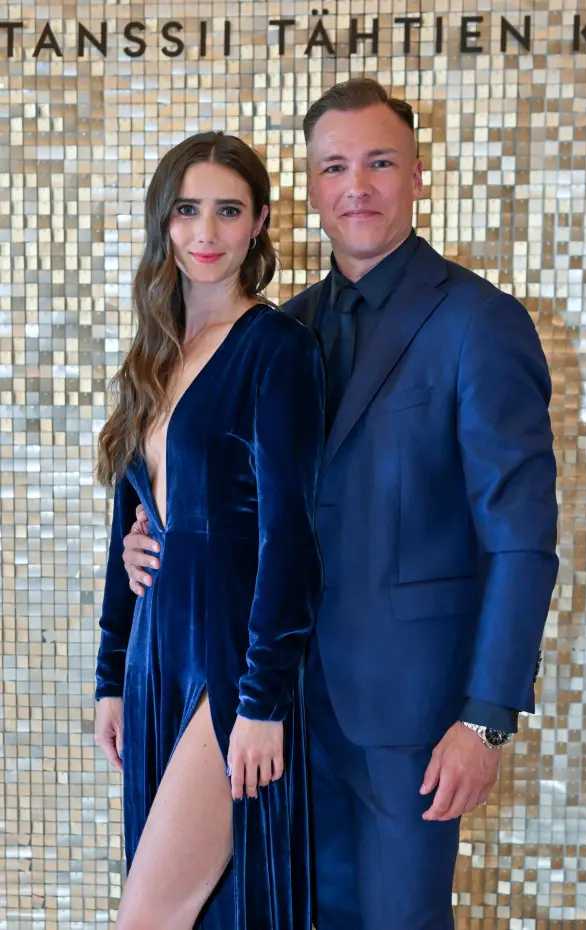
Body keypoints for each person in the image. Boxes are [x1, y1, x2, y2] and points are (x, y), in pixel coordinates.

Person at [121, 79, 559, 929]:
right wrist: (153, 538)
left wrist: (486, 719)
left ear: (418, 176)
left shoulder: (480, 322)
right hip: (273, 705)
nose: (356, 186)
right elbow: (241, 497)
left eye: (379, 162)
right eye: (334, 167)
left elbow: (521, 540)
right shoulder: (278, 332)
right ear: (311, 189)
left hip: (409, 721)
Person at [93, 131, 324, 930]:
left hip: (230, 664)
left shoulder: (278, 350)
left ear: (258, 223)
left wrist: (261, 701)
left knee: (151, 913)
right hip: (156, 655)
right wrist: (111, 678)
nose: (206, 232)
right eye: (188, 209)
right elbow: (126, 532)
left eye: (229, 211)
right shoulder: (154, 353)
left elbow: (290, 539)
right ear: (164, 219)